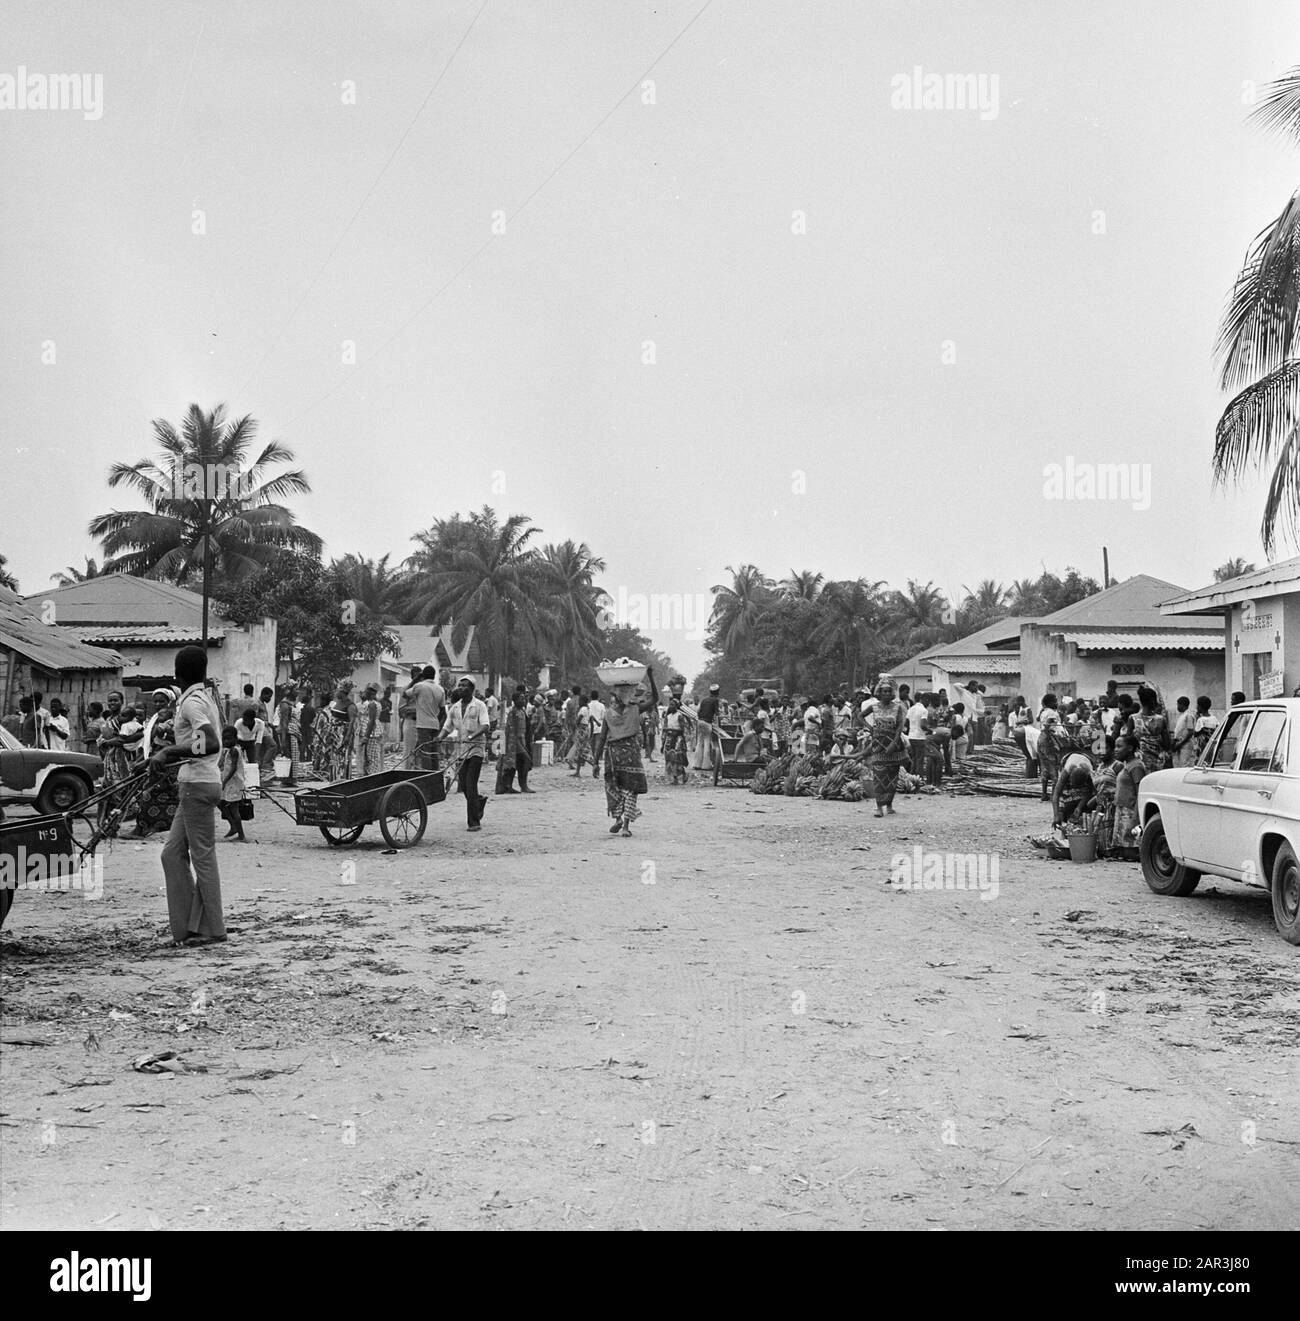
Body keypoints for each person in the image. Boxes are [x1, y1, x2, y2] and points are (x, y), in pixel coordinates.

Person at [155, 646, 226, 947]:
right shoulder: (203, 697)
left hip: (198, 784)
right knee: (171, 854)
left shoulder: (191, 703)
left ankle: (213, 928)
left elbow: (208, 743)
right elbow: (202, 743)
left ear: (177, 674)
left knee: (203, 857)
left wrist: (170, 750)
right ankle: (187, 927)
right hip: (197, 783)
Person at [593, 667, 659, 837]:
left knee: (614, 786)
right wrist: (651, 677)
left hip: (613, 755)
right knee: (630, 789)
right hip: (630, 754)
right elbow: (655, 699)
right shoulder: (635, 709)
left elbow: (602, 739)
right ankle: (625, 826)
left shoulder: (609, 714)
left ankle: (618, 819)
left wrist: (595, 762)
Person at [441, 676, 490, 830]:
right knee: (463, 784)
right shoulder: (454, 708)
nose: (461, 688)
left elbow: (485, 725)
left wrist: (471, 736)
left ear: (472, 688)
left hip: (476, 749)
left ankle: (474, 823)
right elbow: (447, 727)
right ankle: (478, 802)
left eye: (464, 686)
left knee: (471, 784)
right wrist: (439, 737)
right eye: (459, 686)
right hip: (461, 751)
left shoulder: (480, 705)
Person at [134, 687, 181, 837]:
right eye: (156, 701)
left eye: (162, 701)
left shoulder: (174, 721)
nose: (158, 704)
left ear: (169, 702)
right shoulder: (153, 719)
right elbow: (148, 743)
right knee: (147, 795)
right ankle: (145, 827)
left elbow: (176, 744)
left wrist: (147, 761)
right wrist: (141, 759)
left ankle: (142, 829)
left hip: (168, 765)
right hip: (154, 761)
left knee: (149, 795)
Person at [864, 678, 908, 816]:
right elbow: (859, 716)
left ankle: (889, 804)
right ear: (880, 693)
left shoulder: (897, 707)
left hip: (893, 746)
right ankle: (878, 807)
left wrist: (894, 743)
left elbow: (899, 727)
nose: (887, 694)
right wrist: (870, 728)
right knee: (878, 775)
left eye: (889, 691)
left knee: (892, 776)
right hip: (878, 745)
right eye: (885, 691)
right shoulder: (874, 707)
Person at [1111, 733, 1145, 860]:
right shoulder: (1127, 765)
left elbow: (1140, 793)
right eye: (1115, 746)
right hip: (1123, 810)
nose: (1116, 750)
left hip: (1130, 812)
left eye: (1119, 746)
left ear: (1130, 748)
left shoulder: (1136, 766)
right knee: (1123, 851)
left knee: (1130, 850)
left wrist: (1135, 819)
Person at [312, 685, 355, 780]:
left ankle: (342, 778)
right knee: (333, 756)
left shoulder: (350, 705)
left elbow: (352, 721)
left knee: (342, 756)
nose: (335, 693)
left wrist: (347, 736)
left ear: (342, 692)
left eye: (337, 691)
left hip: (343, 733)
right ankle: (334, 777)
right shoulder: (338, 703)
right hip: (334, 734)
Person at [497, 690, 534, 793]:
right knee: (524, 761)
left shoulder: (522, 711)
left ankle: (516, 786)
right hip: (514, 743)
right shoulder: (513, 713)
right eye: (521, 699)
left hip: (522, 741)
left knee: (519, 764)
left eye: (524, 698)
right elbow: (511, 730)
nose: (523, 700)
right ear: (515, 700)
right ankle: (520, 786)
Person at [410, 667, 446, 772]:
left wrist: (415, 679)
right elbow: (443, 712)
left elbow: (404, 694)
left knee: (425, 752)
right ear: (434, 676)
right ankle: (435, 774)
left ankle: (427, 776)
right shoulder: (440, 689)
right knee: (434, 752)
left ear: (423, 675)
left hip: (423, 725)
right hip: (435, 725)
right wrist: (437, 722)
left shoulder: (419, 686)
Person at [218, 725, 248, 842]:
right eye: (224, 739)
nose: (226, 741)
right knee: (220, 802)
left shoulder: (234, 750)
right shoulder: (230, 750)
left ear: (235, 738)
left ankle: (241, 835)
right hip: (229, 781)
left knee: (234, 808)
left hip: (233, 782)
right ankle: (233, 826)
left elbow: (233, 768)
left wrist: (224, 781)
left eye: (228, 739)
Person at [276, 686, 305, 785]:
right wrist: (283, 740)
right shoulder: (285, 704)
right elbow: (284, 722)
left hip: (294, 732)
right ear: (290, 691)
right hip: (289, 732)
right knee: (289, 755)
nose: (298, 691)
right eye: (296, 689)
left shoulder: (292, 703)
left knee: (294, 756)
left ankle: (291, 780)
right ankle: (287, 780)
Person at [690, 684, 719, 777]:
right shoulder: (715, 700)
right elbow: (717, 713)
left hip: (700, 722)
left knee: (699, 743)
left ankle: (696, 764)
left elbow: (698, 711)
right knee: (707, 743)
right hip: (707, 723)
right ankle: (706, 765)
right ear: (717, 692)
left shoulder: (704, 700)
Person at [355, 684, 384, 776]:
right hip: (367, 731)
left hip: (371, 733)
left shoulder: (372, 704)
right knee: (367, 757)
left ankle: (373, 776)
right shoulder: (369, 703)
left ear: (372, 693)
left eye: (368, 690)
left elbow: (371, 721)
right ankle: (367, 776)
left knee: (372, 757)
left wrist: (366, 737)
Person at [662, 697, 689, 784]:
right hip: (669, 739)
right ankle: (673, 778)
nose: (671, 706)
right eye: (670, 704)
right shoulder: (668, 716)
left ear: (676, 706)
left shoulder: (679, 716)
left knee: (678, 759)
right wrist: (663, 743)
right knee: (669, 759)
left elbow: (682, 729)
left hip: (677, 739)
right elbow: (664, 728)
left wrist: (674, 731)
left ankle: (681, 775)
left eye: (673, 705)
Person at [398, 667, 421, 766]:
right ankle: (406, 774)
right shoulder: (406, 690)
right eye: (416, 676)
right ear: (412, 677)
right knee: (408, 752)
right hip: (411, 721)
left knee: (421, 753)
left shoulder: (424, 689)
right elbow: (401, 709)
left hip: (423, 722)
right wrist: (416, 710)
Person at [568, 691, 592, 775]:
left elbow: (579, 720)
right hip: (584, 730)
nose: (578, 702)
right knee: (580, 751)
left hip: (582, 730)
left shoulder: (583, 709)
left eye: (580, 700)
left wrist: (574, 726)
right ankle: (577, 772)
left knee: (582, 751)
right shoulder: (587, 709)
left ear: (582, 701)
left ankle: (594, 765)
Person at [906, 691, 928, 777]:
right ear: (923, 699)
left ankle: (912, 778)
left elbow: (906, 723)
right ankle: (919, 778)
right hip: (920, 737)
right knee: (920, 760)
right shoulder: (924, 710)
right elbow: (923, 725)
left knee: (914, 758)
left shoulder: (910, 709)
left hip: (911, 737)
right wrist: (929, 730)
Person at [1171, 695, 1196, 768]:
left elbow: (1190, 732)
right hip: (1179, 743)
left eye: (1178, 704)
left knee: (1184, 765)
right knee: (1177, 765)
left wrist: (1180, 744)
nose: (1177, 706)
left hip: (1185, 744)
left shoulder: (1188, 716)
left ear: (1182, 705)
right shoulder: (1182, 716)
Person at [587, 690, 607, 779]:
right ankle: (597, 766)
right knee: (598, 749)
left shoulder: (588, 705)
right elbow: (603, 717)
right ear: (598, 696)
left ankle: (594, 766)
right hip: (599, 728)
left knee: (591, 748)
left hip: (590, 728)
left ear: (590, 696)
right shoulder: (601, 705)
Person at [950, 701, 969, 766]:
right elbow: (967, 730)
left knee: (954, 757)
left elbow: (952, 729)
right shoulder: (966, 718)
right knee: (961, 757)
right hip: (964, 738)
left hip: (955, 739)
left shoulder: (955, 717)